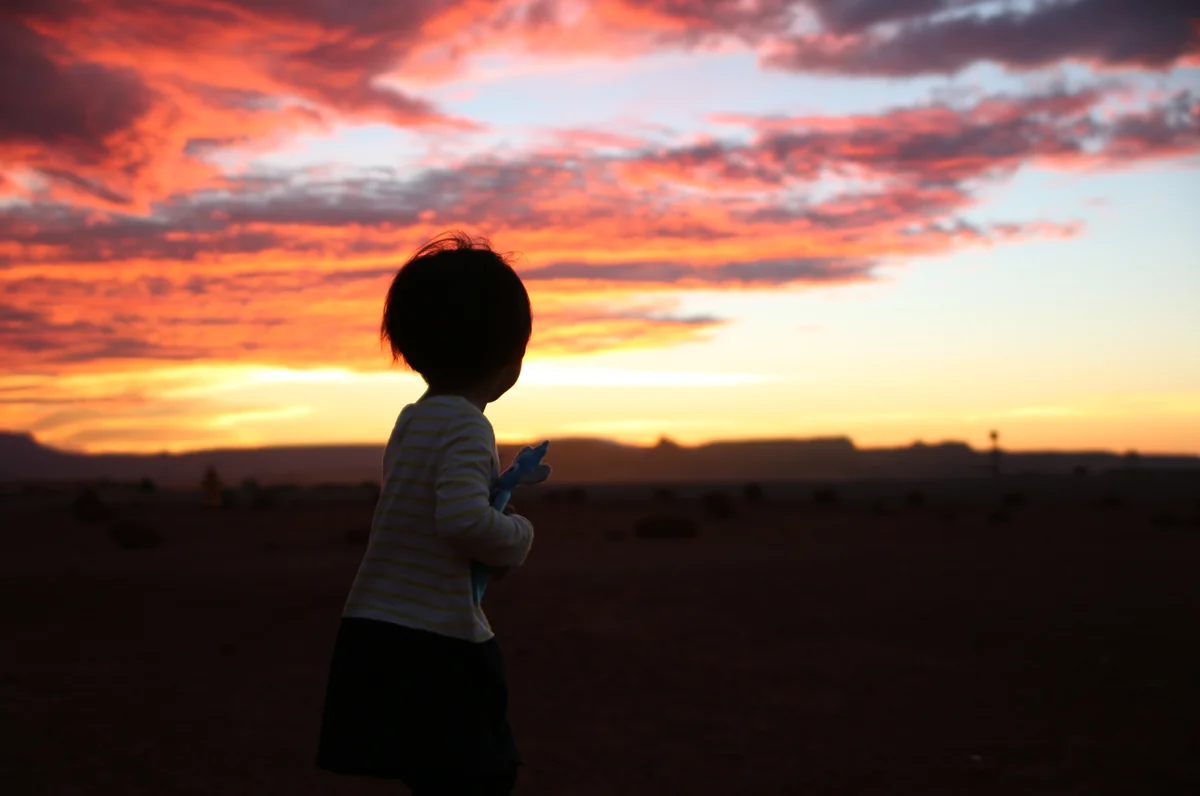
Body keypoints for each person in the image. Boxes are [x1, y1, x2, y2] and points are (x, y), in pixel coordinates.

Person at [317, 231, 547, 795]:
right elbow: (462, 524)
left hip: (377, 630)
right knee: (483, 776)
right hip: (437, 645)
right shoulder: (469, 425)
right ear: (509, 361)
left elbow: (429, 515)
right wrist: (515, 534)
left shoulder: (412, 420)